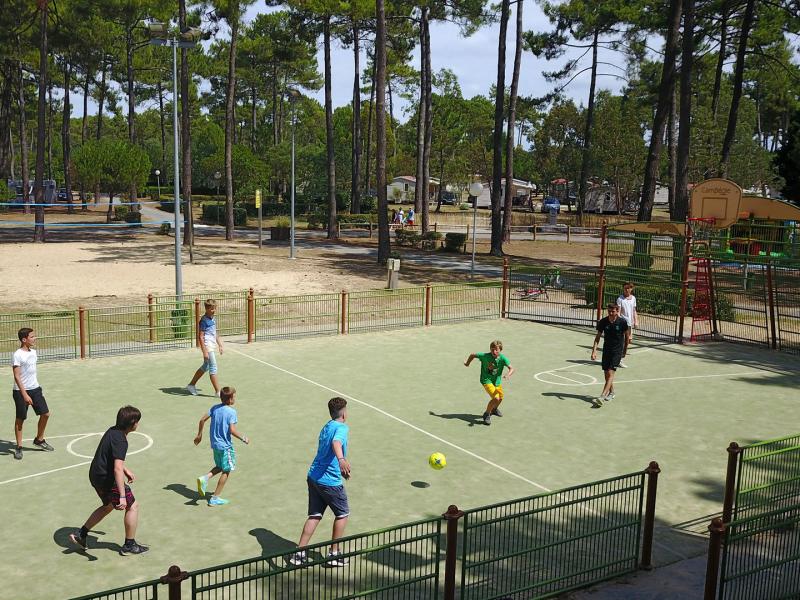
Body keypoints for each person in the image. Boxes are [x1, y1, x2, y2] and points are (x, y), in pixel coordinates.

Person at [69, 406, 148, 555]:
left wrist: (126, 470)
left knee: (108, 506)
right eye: (137, 421)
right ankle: (129, 545)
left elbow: (111, 458)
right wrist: (123, 496)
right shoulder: (122, 441)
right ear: (132, 423)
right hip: (107, 479)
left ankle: (81, 534)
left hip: (95, 475)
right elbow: (117, 468)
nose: (138, 424)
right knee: (132, 506)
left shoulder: (112, 431)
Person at [288, 397, 351, 568]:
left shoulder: (326, 426)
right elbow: (336, 443)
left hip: (314, 477)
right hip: (329, 481)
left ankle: (299, 553)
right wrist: (342, 460)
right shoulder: (342, 428)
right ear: (344, 413)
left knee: (315, 514)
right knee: (342, 514)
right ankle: (334, 554)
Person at [194, 386, 249, 506]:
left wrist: (199, 435)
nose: (235, 398)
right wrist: (243, 438)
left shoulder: (214, 408)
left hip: (215, 445)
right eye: (234, 397)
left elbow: (202, 420)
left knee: (220, 465)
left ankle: (205, 478)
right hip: (225, 447)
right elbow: (232, 431)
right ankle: (215, 498)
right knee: (227, 469)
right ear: (229, 399)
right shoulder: (232, 412)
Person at [11, 328, 53, 460]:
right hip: (20, 391)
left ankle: (39, 439)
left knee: (45, 414)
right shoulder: (17, 355)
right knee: (20, 419)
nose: (35, 338)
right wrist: (24, 395)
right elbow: (17, 377)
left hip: (35, 389)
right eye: (32, 336)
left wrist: (37, 390)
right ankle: (18, 447)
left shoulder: (34, 352)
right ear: (24, 339)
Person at [464, 340, 514, 426]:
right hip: (486, 380)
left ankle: (494, 409)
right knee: (496, 398)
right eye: (492, 349)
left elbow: (512, 368)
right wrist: (467, 363)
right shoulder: (484, 356)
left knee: (501, 398)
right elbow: (472, 355)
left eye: (496, 350)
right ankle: (486, 414)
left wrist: (508, 374)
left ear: (500, 350)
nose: (494, 351)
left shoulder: (503, 358)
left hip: (496, 382)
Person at [590, 303, 631, 407]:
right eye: (609, 311)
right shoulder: (603, 322)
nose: (611, 313)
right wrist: (594, 351)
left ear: (617, 311)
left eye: (613, 311)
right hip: (606, 350)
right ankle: (612, 392)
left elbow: (627, 337)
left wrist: (625, 351)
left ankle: (602, 396)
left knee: (610, 372)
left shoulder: (622, 322)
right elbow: (597, 337)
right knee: (606, 373)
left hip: (617, 351)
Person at [187, 299, 224, 396]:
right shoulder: (203, 321)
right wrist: (205, 352)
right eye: (212, 309)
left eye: (215, 308)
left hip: (212, 345)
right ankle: (218, 392)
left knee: (206, 366)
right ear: (207, 309)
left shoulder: (213, 318)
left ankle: (191, 385)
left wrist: (220, 345)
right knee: (213, 367)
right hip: (208, 347)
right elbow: (200, 337)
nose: (214, 310)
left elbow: (214, 333)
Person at [616, 283, 638, 367]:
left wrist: (636, 321)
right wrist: (618, 322)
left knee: (628, 341)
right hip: (622, 323)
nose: (626, 290)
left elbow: (634, 310)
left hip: (630, 324)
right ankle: (619, 359)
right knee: (623, 341)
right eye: (625, 288)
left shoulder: (633, 299)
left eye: (628, 288)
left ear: (631, 289)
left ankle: (620, 357)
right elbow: (618, 312)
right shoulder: (620, 299)